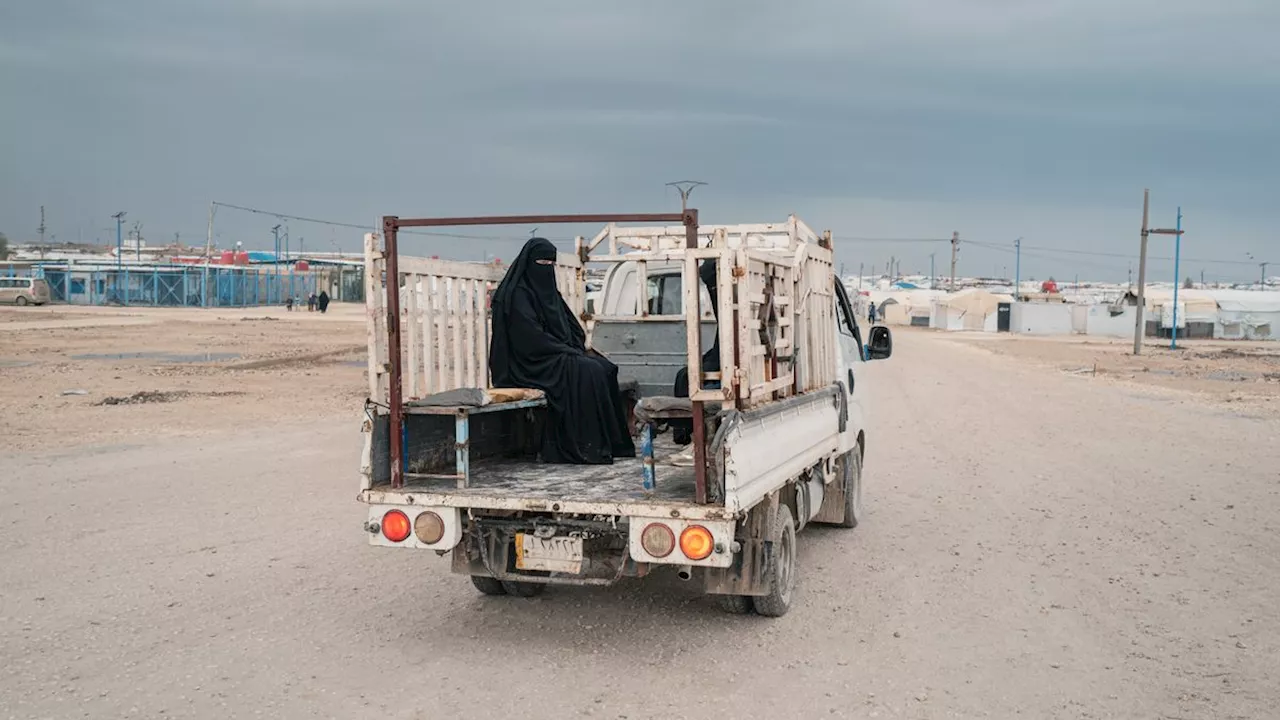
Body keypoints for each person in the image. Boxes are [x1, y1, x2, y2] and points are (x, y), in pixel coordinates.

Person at [489, 238, 635, 465]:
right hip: (528, 363)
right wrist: (565, 350)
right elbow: (530, 339)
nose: (547, 268)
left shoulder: (548, 293)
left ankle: (613, 444)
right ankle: (582, 446)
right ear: (529, 263)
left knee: (605, 368)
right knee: (588, 371)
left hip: (553, 355)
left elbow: (571, 326)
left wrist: (573, 347)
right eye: (542, 262)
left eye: (551, 263)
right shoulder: (517, 295)